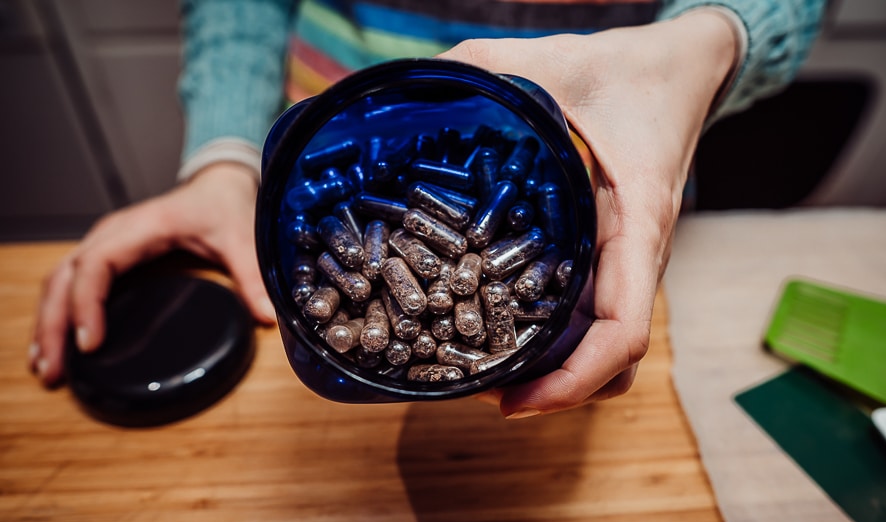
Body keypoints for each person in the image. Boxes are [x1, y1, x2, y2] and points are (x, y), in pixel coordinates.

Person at [29, 0, 826, 418]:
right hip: (327, 162)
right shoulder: (368, 262)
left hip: (607, 188)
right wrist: (225, 153)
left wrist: (713, 42)